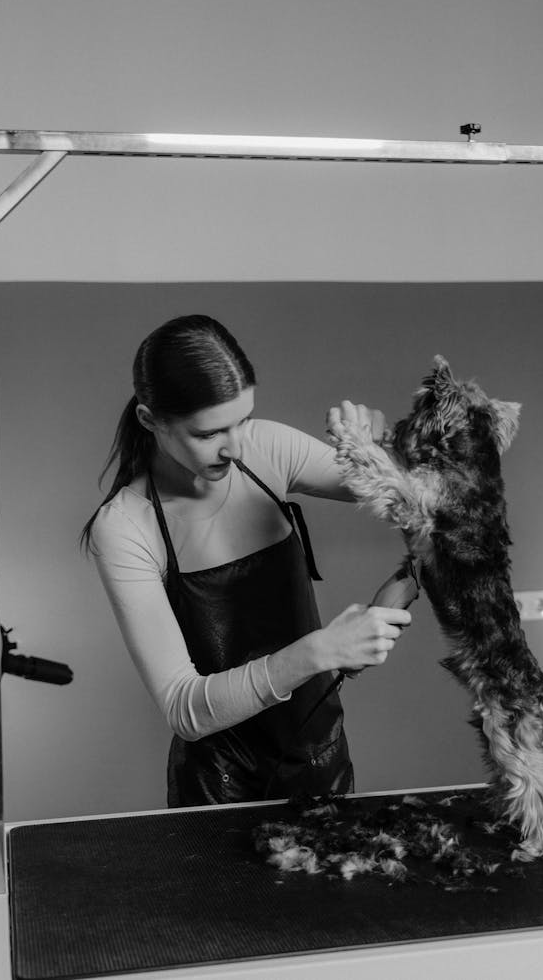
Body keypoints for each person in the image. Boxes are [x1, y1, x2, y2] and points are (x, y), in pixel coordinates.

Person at [82, 314, 411, 807]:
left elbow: (416, 503)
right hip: (217, 789)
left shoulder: (266, 448)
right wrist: (320, 653)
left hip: (322, 761)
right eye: (209, 432)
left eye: (243, 420)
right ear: (151, 421)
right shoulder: (127, 526)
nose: (235, 448)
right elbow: (183, 708)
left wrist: (377, 450)